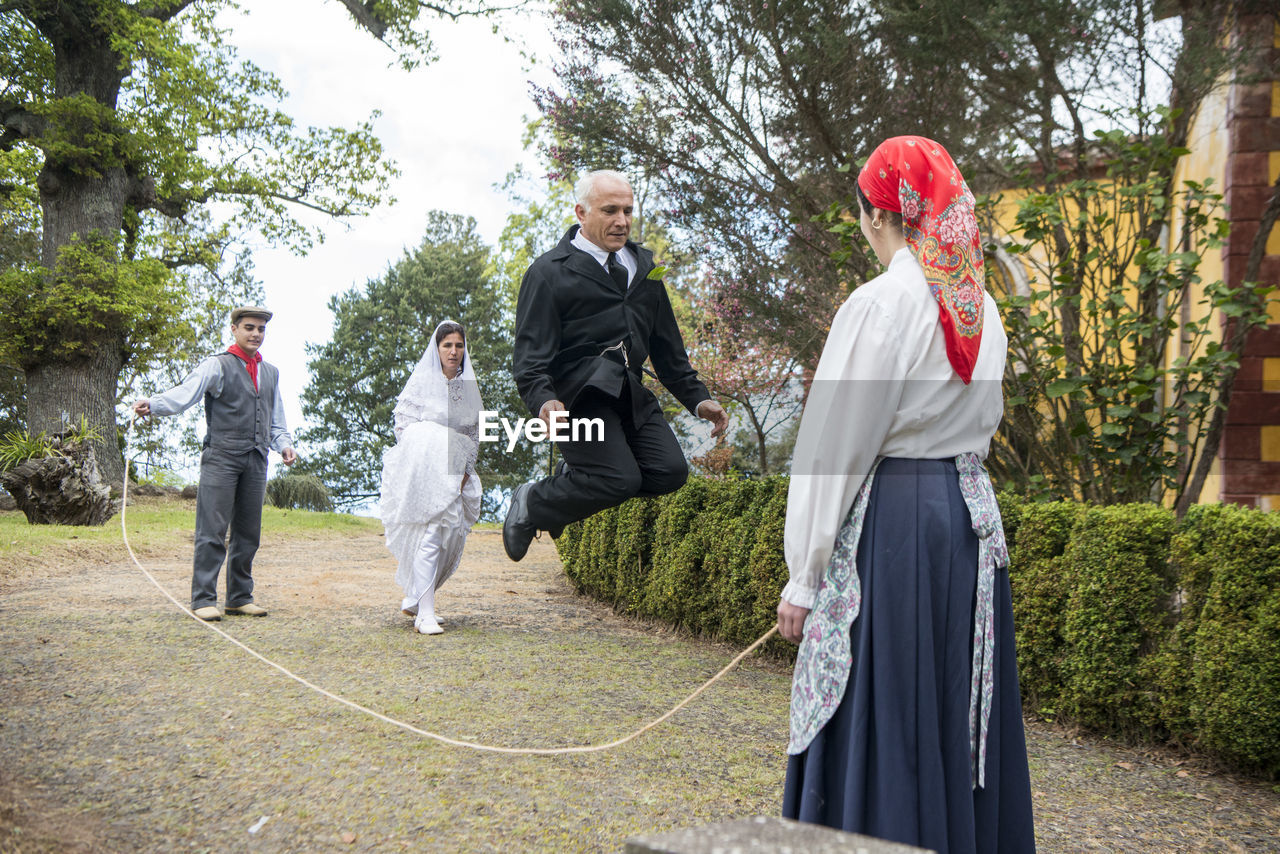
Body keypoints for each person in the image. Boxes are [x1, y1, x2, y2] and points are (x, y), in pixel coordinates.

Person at [777, 137, 1036, 853]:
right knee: (953, 705)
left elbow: (835, 447)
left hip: (896, 523)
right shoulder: (980, 311)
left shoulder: (881, 305)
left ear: (875, 213)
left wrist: (804, 575)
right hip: (964, 524)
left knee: (890, 704)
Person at [504, 169, 729, 561]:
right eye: (610, 210)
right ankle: (532, 501)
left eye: (627, 210)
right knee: (619, 479)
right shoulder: (548, 272)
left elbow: (667, 348)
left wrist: (698, 400)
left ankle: (566, 489)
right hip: (579, 399)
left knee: (669, 473)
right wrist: (544, 401)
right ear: (581, 212)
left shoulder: (644, 268)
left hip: (629, 395)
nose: (622, 221)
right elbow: (529, 357)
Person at [133, 305, 297, 621]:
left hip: (256, 459)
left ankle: (239, 597)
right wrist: (152, 404)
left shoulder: (271, 372)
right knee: (212, 530)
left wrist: (285, 446)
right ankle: (203, 599)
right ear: (234, 329)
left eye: (261, 329)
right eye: (249, 327)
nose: (256, 334)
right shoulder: (217, 365)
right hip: (221, 457)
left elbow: (276, 419)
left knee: (249, 533)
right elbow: (185, 394)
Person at [379, 320, 483, 635]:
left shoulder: (468, 387)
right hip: (425, 466)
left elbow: (475, 434)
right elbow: (403, 424)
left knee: (450, 536)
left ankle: (418, 595)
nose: (454, 351)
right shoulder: (423, 381)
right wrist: (428, 445)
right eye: (447, 345)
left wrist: (465, 470)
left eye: (459, 345)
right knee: (431, 534)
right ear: (437, 349)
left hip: (454, 465)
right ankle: (424, 612)